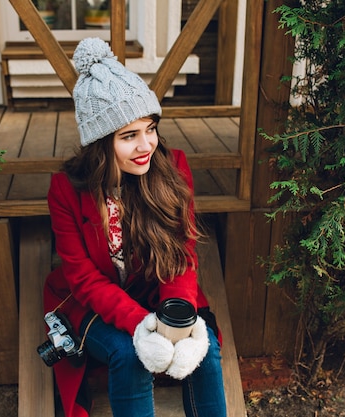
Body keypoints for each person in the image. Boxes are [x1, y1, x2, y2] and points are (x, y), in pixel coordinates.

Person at [42, 37, 227, 417]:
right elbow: (83, 279)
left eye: (150, 128)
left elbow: (181, 255)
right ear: (100, 142)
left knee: (204, 350)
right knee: (129, 353)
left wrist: (178, 317)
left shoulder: (171, 167)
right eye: (129, 136)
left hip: (159, 293)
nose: (146, 145)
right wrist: (141, 325)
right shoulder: (65, 190)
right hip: (92, 305)